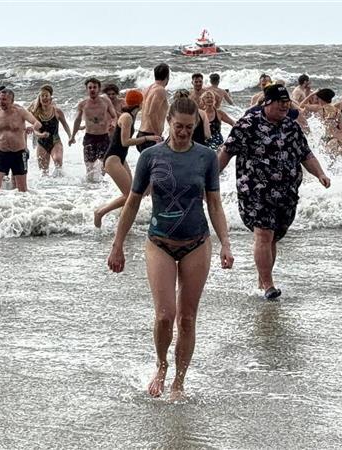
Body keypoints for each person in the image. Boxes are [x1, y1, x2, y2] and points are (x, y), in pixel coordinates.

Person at [107, 96, 234, 401]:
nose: (184, 132)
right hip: (159, 242)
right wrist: (118, 244)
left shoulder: (205, 158)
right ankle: (161, 367)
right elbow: (133, 202)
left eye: (190, 128)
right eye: (179, 126)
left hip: (197, 243)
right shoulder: (151, 157)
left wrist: (225, 243)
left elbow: (214, 204)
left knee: (187, 318)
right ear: (168, 123)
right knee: (165, 315)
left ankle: (179, 381)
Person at [219, 84, 330, 300]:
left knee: (273, 238)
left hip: (286, 193)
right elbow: (227, 152)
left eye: (287, 103)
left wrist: (320, 174)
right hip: (255, 191)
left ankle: (263, 281)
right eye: (281, 103)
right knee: (264, 233)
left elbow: (306, 154)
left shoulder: (291, 126)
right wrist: (209, 178)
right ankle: (269, 285)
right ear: (268, 102)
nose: (285, 106)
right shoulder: (247, 124)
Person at [94, 90, 163, 228]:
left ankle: (122, 221)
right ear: (139, 103)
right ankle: (100, 212)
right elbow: (125, 142)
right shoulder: (127, 117)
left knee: (134, 193)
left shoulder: (130, 116)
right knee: (129, 195)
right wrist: (147, 138)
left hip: (120, 158)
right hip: (113, 158)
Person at [0, 88, 42, 195]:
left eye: (4, 100)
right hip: (1, 153)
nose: (1, 102)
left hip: (18, 154)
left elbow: (38, 123)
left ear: (12, 101)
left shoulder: (21, 112)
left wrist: (32, 127)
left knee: (22, 189)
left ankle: (23, 209)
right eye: (0, 99)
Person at [68, 77, 117, 179]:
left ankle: (101, 189)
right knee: (89, 168)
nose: (92, 90)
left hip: (103, 137)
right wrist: (72, 136)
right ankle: (90, 188)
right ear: (87, 89)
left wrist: (113, 123)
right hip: (89, 138)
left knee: (104, 166)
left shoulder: (105, 101)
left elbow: (114, 115)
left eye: (95, 87)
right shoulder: (83, 104)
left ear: (99, 89)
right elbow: (77, 121)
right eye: (90, 87)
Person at [28, 85, 72, 176]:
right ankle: (48, 189)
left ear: (50, 98)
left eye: (46, 96)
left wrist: (70, 136)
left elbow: (65, 124)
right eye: (42, 96)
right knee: (43, 172)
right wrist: (41, 135)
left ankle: (60, 185)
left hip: (55, 141)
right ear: (39, 99)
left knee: (58, 161)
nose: (44, 98)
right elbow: (34, 130)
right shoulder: (36, 113)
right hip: (42, 143)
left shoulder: (57, 111)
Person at [299, 88, 342, 155]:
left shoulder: (319, 108)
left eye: (318, 98)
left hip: (325, 138)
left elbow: (301, 105)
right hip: (336, 140)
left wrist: (312, 94)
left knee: (324, 159)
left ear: (321, 99)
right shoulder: (338, 112)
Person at [137, 63, 170, 152]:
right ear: (167, 77)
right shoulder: (160, 90)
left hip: (141, 134)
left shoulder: (148, 89)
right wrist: (157, 135)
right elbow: (151, 113)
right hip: (151, 136)